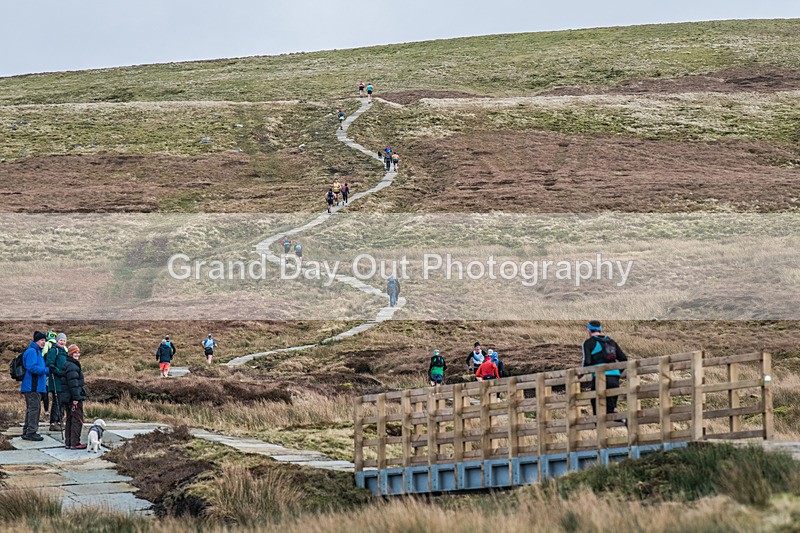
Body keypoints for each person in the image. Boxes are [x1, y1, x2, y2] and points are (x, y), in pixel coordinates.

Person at [581, 321, 628, 419]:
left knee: (596, 405)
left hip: (599, 378)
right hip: (614, 378)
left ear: (588, 330)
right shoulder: (611, 342)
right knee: (610, 409)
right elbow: (624, 359)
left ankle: (599, 427)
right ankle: (623, 420)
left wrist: (581, 373)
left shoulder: (588, 343)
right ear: (601, 330)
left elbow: (587, 362)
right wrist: (617, 372)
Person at [20, 331, 50, 441]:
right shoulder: (33, 351)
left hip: (34, 387)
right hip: (33, 387)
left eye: (44, 340)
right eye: (41, 340)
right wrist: (46, 370)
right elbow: (31, 367)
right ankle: (31, 432)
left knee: (31, 409)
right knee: (34, 409)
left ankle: (27, 431)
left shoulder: (37, 352)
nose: (44, 342)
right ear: (36, 341)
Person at [60, 344, 87, 449]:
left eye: (78, 352)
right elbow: (74, 384)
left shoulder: (68, 364)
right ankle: (75, 443)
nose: (77, 354)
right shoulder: (72, 366)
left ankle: (69, 442)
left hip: (68, 397)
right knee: (76, 420)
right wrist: (76, 398)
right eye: (75, 352)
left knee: (70, 419)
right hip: (73, 398)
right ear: (70, 354)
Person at [44, 333, 68, 431]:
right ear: (57, 341)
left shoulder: (64, 352)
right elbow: (50, 364)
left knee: (62, 401)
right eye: (61, 340)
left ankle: (60, 421)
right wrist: (59, 372)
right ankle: (53, 422)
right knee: (57, 401)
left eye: (64, 340)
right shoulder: (54, 350)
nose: (62, 342)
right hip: (56, 380)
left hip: (63, 381)